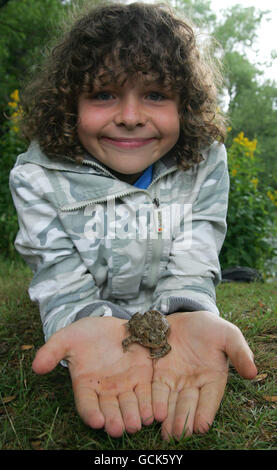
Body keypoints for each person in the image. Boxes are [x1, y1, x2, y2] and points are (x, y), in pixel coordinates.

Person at [9, 2, 257, 441]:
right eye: (104, 94)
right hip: (94, 318)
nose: (129, 115)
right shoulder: (36, 177)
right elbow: (57, 275)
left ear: (186, 103)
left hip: (168, 313)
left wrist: (191, 312)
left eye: (156, 94)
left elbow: (197, 254)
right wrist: (86, 324)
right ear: (70, 102)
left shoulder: (206, 162)